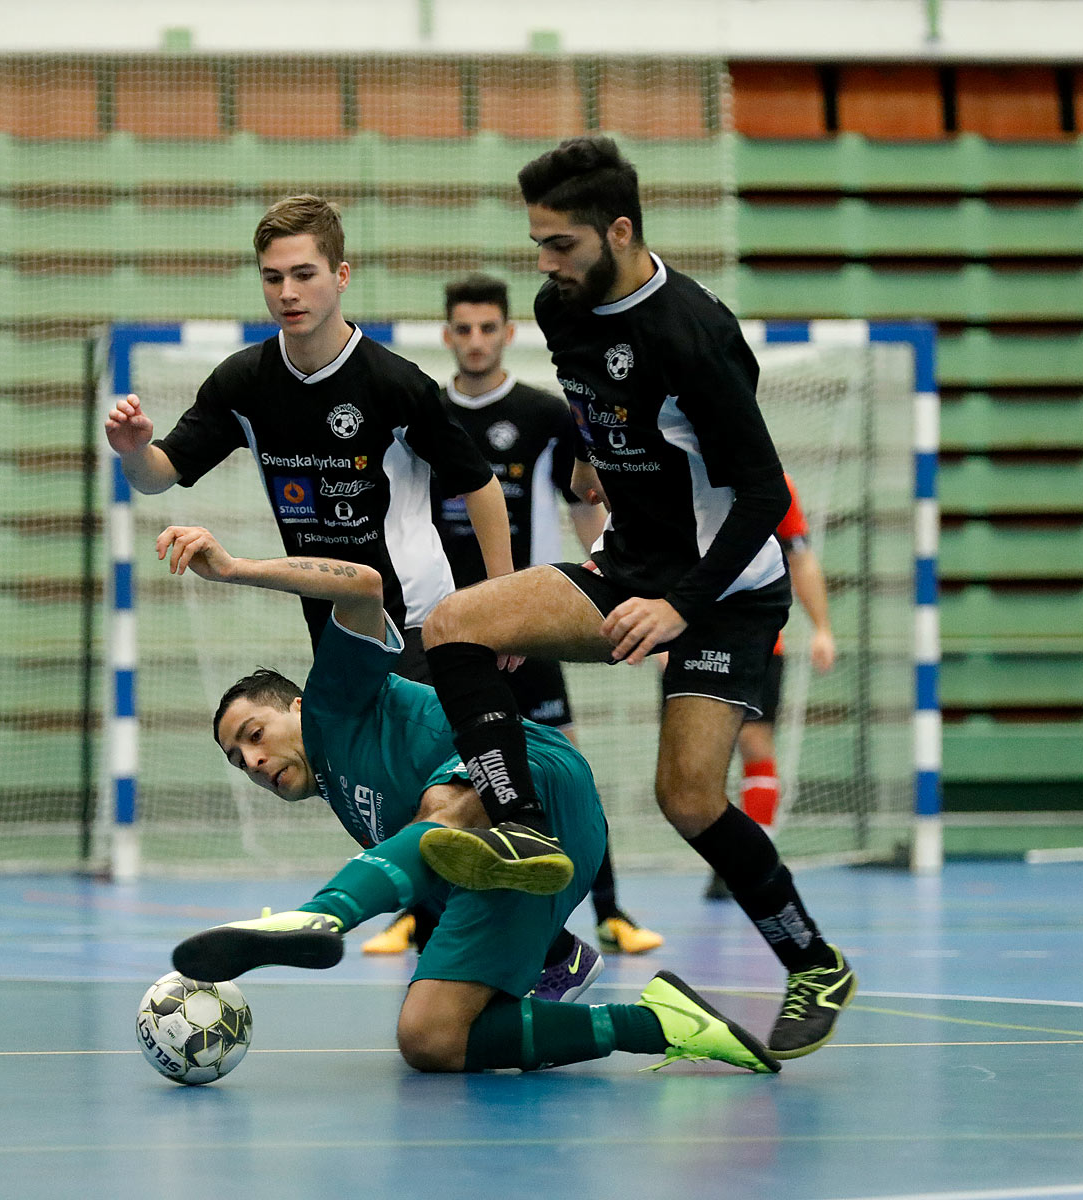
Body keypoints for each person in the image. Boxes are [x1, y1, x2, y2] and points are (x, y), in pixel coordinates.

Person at [414, 136, 857, 1059]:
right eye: (536, 243)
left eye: (561, 245)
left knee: (688, 798)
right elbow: (596, 403)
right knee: (456, 624)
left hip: (725, 591)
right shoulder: (559, 305)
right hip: (623, 566)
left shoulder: (695, 335)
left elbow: (767, 499)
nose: (544, 265)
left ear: (620, 232)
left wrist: (682, 609)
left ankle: (812, 960)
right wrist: (587, 463)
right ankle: (523, 829)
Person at [155, 522, 779, 1076]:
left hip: (532, 778)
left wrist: (235, 569)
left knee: (441, 812)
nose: (254, 762)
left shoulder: (329, 703)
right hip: (525, 858)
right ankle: (661, 1024)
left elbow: (364, 584)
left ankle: (323, 916)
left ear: (295, 707)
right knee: (430, 1039)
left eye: (254, 736)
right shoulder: (350, 803)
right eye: (239, 760)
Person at [361, 274, 662, 960]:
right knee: (434, 775)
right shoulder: (423, 413)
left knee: (567, 768)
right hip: (439, 630)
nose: (474, 341)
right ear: (447, 336)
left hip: (526, 624)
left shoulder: (544, 416)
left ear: (507, 333)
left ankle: (609, 913)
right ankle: (418, 918)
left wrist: (621, 581)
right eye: (462, 329)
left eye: (486, 328)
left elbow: (586, 501)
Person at [102, 194, 512, 678]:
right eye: (272, 278)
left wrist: (503, 605)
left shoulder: (395, 384)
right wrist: (133, 451)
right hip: (331, 619)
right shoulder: (243, 383)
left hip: (416, 616)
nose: (287, 292)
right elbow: (157, 476)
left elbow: (479, 484)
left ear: (340, 276)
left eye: (303, 274)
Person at [700, 471, 838, 900]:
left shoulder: (775, 483)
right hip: (690, 633)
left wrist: (822, 627)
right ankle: (724, 853)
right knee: (699, 757)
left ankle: (753, 858)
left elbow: (800, 556)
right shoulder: (678, 471)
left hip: (757, 638)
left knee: (756, 743)